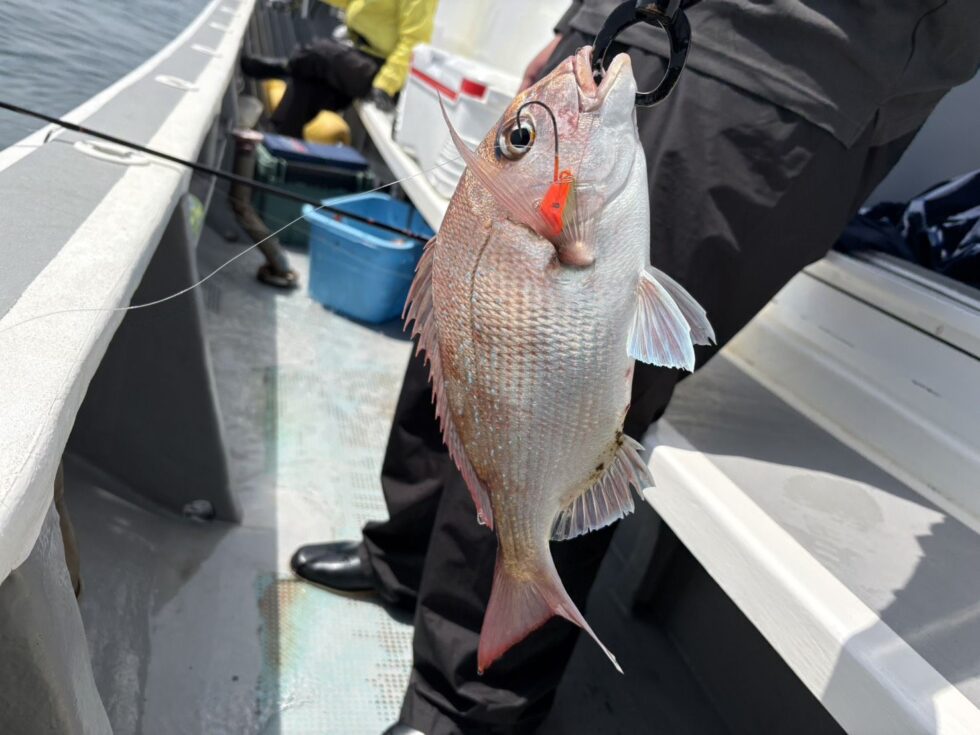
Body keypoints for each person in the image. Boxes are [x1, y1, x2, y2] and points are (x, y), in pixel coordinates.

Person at [290, 2, 980, 733]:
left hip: (787, 51)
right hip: (633, 18)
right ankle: (403, 553)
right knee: (467, 309)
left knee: (578, 387)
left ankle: (466, 705)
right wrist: (582, 17)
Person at [241, 0, 437, 137]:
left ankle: (284, 67)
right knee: (305, 84)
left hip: (384, 73)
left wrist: (386, 85)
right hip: (361, 56)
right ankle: (280, 141)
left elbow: (415, 41)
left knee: (320, 52)